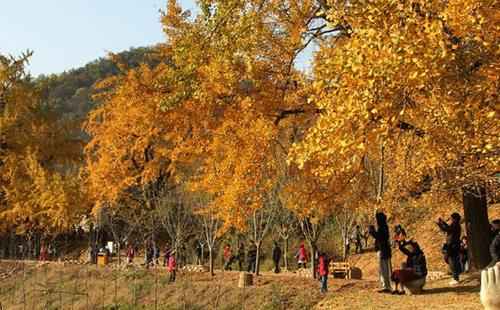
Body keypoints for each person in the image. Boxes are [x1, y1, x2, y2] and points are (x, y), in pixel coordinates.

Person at [369, 211, 392, 293]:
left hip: (382, 250)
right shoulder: (384, 226)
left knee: (383, 268)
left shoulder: (383, 227)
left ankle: (385, 286)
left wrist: (372, 232)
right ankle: (387, 285)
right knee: (386, 267)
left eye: (377, 219)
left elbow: (379, 237)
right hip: (384, 249)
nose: (377, 221)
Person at [437, 212, 462, 285]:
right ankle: (457, 272)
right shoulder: (454, 225)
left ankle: (455, 277)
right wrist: (441, 223)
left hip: (453, 246)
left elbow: (447, 229)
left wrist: (441, 223)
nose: (450, 218)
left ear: (454, 218)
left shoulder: (456, 225)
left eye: (451, 217)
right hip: (450, 245)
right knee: (447, 259)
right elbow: (446, 229)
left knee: (451, 260)